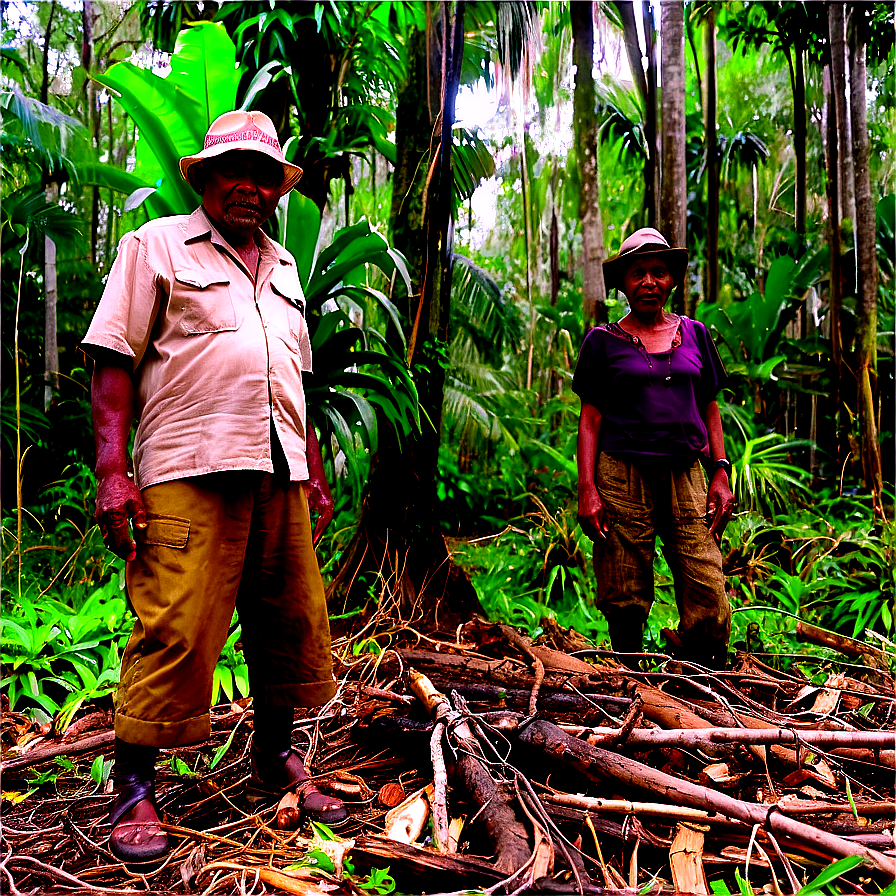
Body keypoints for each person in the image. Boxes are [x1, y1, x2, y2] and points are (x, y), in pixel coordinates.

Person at [83, 111, 348, 863]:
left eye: (264, 175)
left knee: (288, 624)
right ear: (205, 176)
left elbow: (294, 380)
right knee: (174, 625)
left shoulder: (286, 268)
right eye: (235, 170)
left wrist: (313, 472)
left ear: (276, 189)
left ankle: (275, 757)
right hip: (187, 469)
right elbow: (113, 357)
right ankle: (134, 787)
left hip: (280, 473)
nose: (249, 186)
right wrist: (112, 473)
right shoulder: (157, 245)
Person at [573, 228, 735, 669]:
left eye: (659, 272)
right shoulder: (601, 342)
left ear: (672, 281)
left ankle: (704, 678)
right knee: (623, 583)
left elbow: (710, 406)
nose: (649, 281)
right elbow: (590, 420)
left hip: (687, 472)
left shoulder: (696, 334)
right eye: (638, 273)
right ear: (623, 284)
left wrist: (721, 471)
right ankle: (629, 677)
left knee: (706, 581)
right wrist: (587, 489)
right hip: (620, 474)